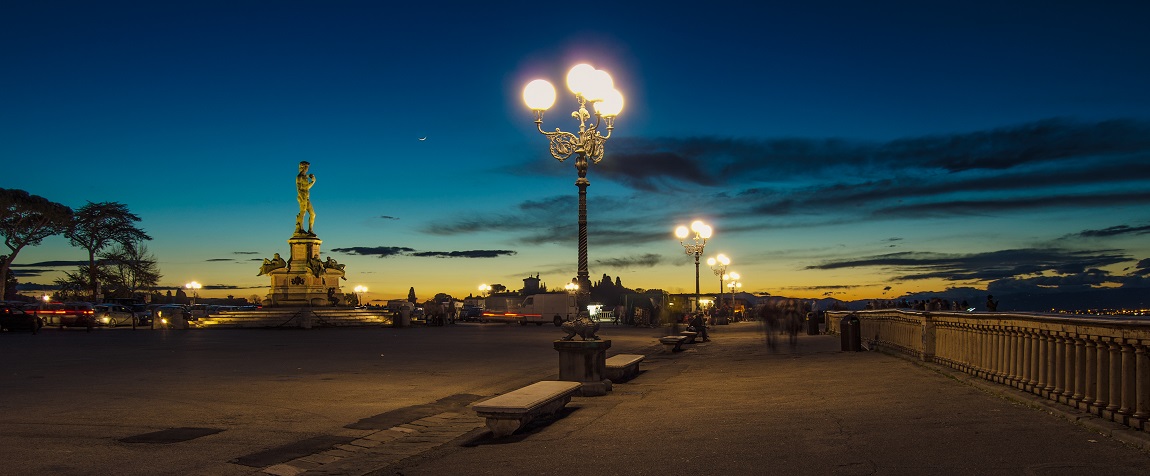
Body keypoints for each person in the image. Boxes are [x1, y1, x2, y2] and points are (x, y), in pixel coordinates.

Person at [295, 161, 317, 235]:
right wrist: (302, 198)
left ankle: (310, 230)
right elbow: (299, 189)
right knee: (303, 212)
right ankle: (300, 229)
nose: (307, 169)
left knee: (313, 214)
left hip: (306, 198)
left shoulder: (305, 177)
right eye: (307, 167)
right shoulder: (299, 177)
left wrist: (313, 181)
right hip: (302, 197)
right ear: (303, 167)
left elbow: (306, 188)